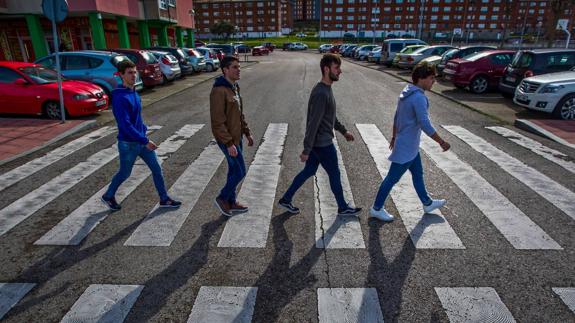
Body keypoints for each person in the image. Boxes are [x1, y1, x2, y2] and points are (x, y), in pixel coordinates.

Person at [278, 53, 361, 216]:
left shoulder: (326, 90)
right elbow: (313, 123)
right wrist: (306, 150)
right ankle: (343, 207)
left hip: (318, 143)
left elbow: (329, 117)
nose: (340, 71)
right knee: (335, 174)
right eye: (337, 68)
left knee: (308, 172)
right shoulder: (321, 93)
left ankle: (286, 199)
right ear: (326, 69)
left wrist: (344, 131)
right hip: (322, 144)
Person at [369, 61, 450, 222]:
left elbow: (397, 117)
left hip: (409, 145)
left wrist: (394, 136)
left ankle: (427, 203)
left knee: (418, 174)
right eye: (431, 78)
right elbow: (425, 124)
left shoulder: (407, 92)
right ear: (421, 78)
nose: (434, 81)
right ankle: (376, 208)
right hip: (407, 147)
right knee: (392, 178)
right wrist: (441, 142)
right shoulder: (419, 98)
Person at [101, 59, 181, 211]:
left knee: (157, 169)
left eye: (134, 72)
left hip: (140, 140)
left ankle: (164, 199)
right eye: (130, 73)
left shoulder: (133, 92)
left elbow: (136, 117)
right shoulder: (120, 98)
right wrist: (144, 140)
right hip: (129, 144)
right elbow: (125, 125)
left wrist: (143, 128)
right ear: (121, 75)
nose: (133, 75)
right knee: (124, 173)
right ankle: (108, 195)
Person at [211, 56, 254, 217]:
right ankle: (222, 198)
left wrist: (247, 133)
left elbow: (239, 115)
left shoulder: (234, 87)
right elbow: (217, 121)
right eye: (234, 67)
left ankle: (232, 201)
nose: (238, 69)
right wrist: (229, 144)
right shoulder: (218, 91)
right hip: (227, 140)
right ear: (225, 70)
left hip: (237, 138)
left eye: (239, 67)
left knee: (233, 171)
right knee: (240, 171)